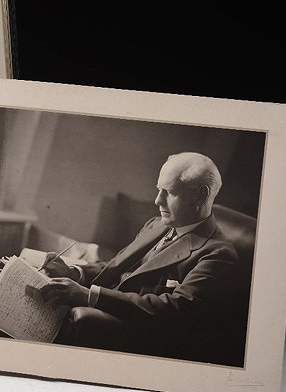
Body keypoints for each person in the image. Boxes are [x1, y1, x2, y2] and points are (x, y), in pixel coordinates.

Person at [39, 152, 247, 365]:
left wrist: (89, 295)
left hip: (140, 340)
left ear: (200, 196)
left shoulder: (218, 255)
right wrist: (75, 273)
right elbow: (118, 267)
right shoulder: (156, 225)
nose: (158, 200)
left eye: (169, 192)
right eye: (159, 189)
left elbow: (173, 309)